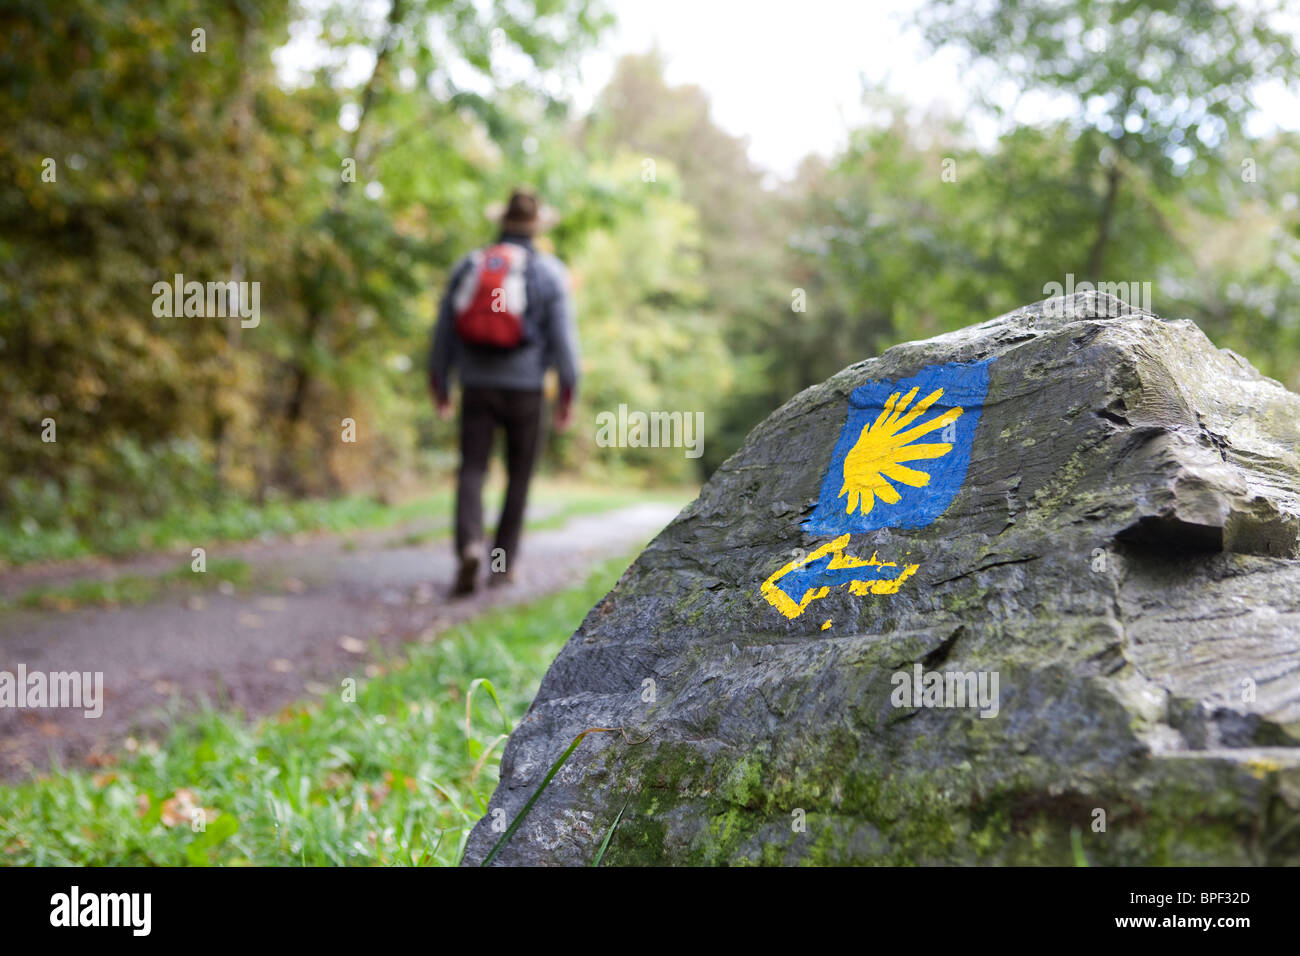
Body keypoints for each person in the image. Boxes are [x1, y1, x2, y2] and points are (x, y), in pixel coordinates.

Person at [428, 188, 579, 597]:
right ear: (537, 227)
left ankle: (469, 547)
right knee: (519, 476)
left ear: (501, 222)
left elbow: (443, 330)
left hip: (476, 384)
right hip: (526, 390)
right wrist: (568, 392)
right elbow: (564, 340)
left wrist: (440, 382)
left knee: (472, 468)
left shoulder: (470, 265)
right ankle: (501, 566)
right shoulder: (548, 272)